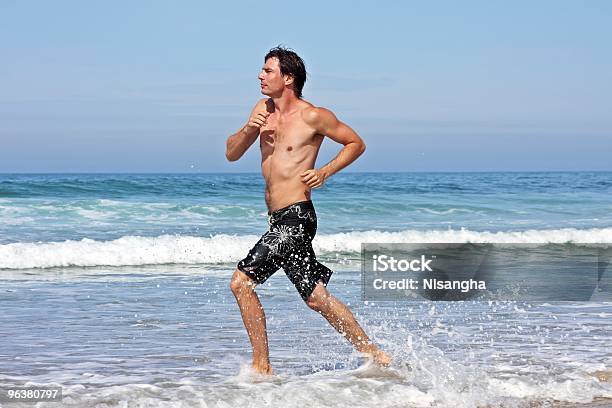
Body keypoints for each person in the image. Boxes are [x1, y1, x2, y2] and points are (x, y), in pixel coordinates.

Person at [225, 46, 391, 374]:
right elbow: (231, 153)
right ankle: (376, 354)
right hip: (278, 220)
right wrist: (249, 128)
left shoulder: (313, 116)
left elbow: (356, 143)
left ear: (288, 78)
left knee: (241, 283)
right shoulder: (262, 109)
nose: (260, 75)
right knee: (316, 297)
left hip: (297, 217)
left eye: (268, 70)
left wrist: (324, 172)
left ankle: (261, 367)